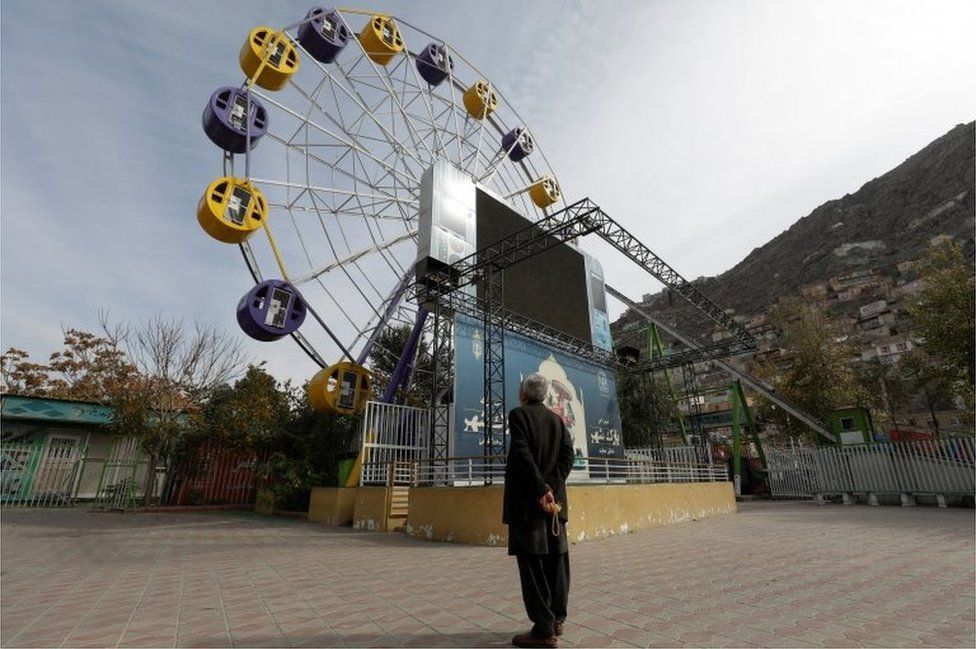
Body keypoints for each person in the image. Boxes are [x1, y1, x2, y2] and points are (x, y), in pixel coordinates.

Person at [503, 373, 576, 648]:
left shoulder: (518, 415)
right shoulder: (558, 420)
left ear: (523, 394)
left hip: (529, 507)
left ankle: (544, 630)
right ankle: (557, 619)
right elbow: (568, 456)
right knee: (557, 563)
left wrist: (539, 490)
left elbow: (523, 455)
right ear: (545, 395)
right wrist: (551, 488)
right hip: (554, 505)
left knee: (532, 566)